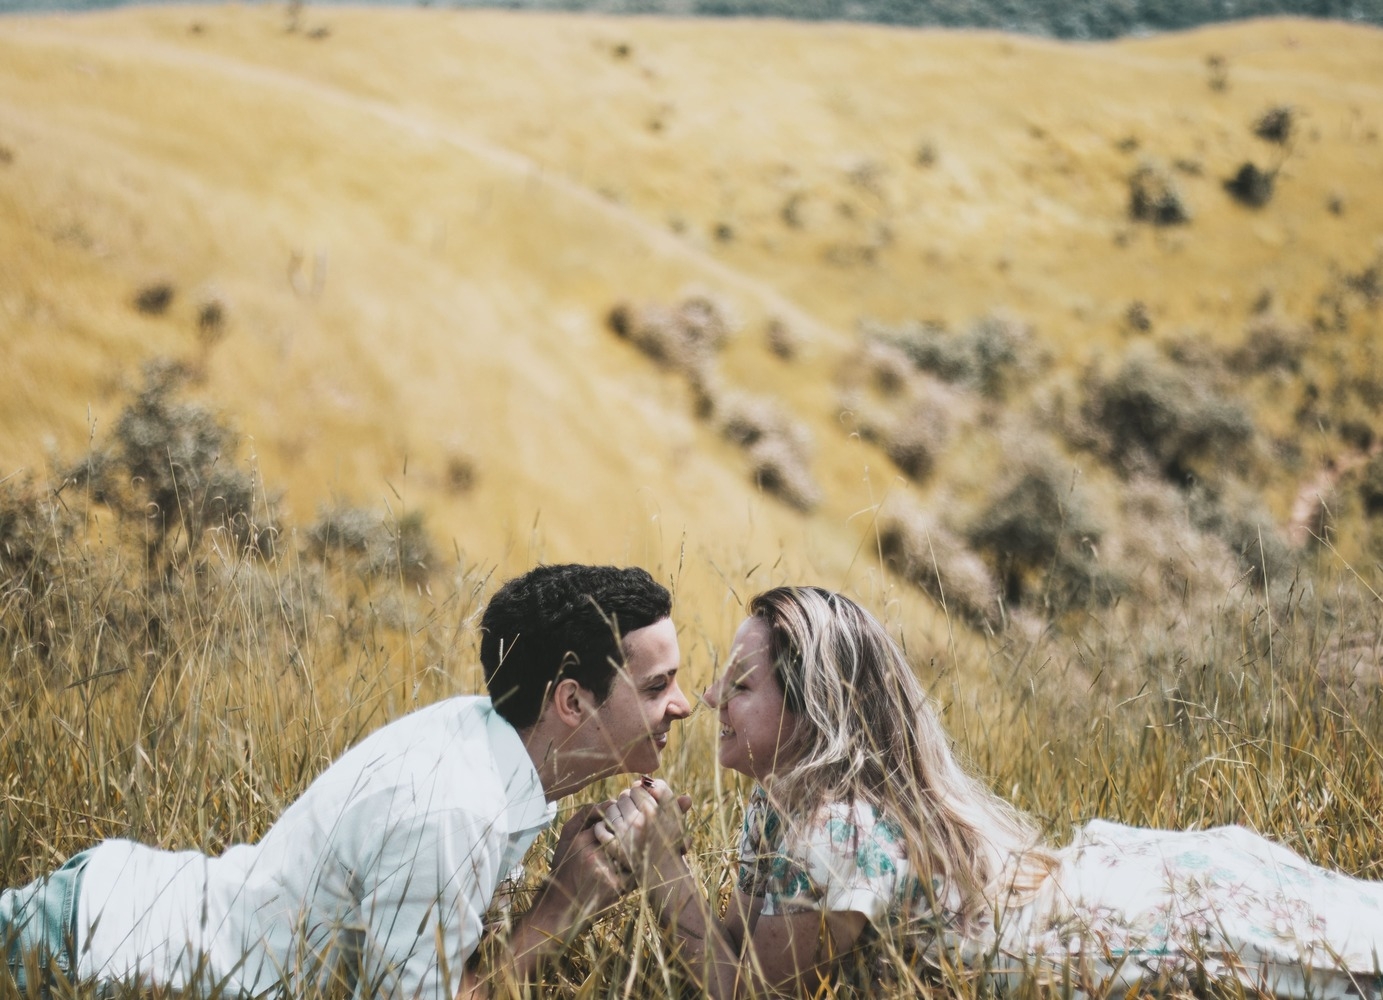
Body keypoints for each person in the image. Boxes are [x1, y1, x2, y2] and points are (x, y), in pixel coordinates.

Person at [596, 586, 1383, 999]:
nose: (706, 699)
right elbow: (741, 947)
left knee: (1339, 955)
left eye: (739, 685)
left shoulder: (838, 830)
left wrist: (665, 873)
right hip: (1091, 896)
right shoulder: (777, 803)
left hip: (1118, 934)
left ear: (812, 709)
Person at [1, 563, 692, 999]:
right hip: (92, 958)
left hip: (112, 912)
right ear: (570, 702)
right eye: (658, 685)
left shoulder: (485, 738)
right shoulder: (452, 808)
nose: (682, 704)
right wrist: (559, 912)